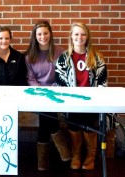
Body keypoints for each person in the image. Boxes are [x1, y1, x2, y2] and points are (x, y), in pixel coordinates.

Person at [55, 22, 108, 170]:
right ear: (71, 36)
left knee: (89, 127)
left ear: (87, 37)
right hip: (72, 103)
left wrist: (97, 101)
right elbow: (60, 82)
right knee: (74, 126)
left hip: (92, 103)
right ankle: (77, 155)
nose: (79, 37)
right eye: (76, 34)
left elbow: (103, 82)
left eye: (83, 34)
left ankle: (90, 157)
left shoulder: (97, 57)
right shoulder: (64, 58)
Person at [24, 20, 71, 171]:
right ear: (35, 36)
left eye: (45, 33)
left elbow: (63, 77)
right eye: (39, 34)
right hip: (37, 94)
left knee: (45, 117)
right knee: (47, 114)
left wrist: (51, 90)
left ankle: (42, 161)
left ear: (50, 34)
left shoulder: (61, 52)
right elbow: (30, 79)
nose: (42, 36)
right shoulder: (29, 56)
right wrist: (41, 91)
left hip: (56, 93)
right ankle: (63, 149)